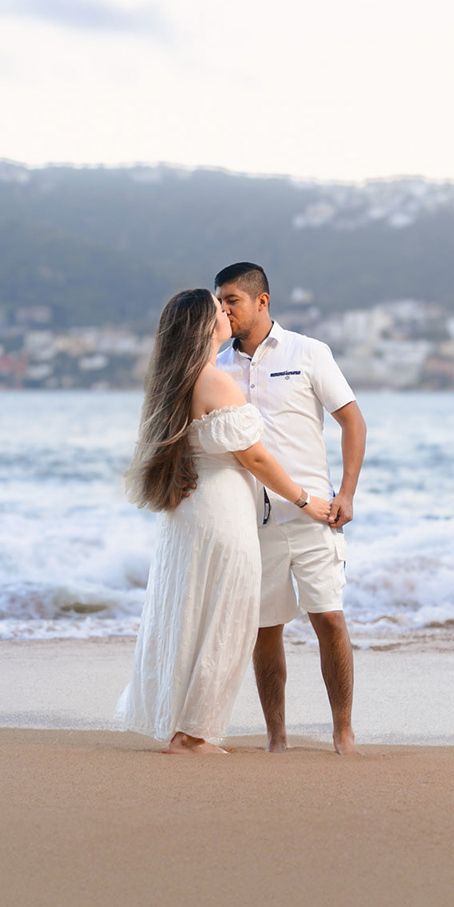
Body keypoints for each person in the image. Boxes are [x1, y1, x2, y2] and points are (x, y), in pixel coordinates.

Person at [116, 288, 332, 754]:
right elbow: (253, 456)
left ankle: (180, 726)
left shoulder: (173, 380)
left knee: (189, 612)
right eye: (219, 308)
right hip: (220, 515)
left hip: (188, 516)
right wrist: (305, 499)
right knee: (226, 618)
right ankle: (193, 734)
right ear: (204, 325)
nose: (227, 312)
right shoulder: (214, 381)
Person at [214, 262, 367, 756]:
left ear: (262, 301)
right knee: (265, 628)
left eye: (231, 300)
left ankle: (342, 731)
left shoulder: (309, 352)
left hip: (312, 511)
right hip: (250, 518)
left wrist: (346, 493)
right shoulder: (219, 366)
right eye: (219, 301)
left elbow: (352, 421)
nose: (223, 310)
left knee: (329, 618)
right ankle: (276, 738)